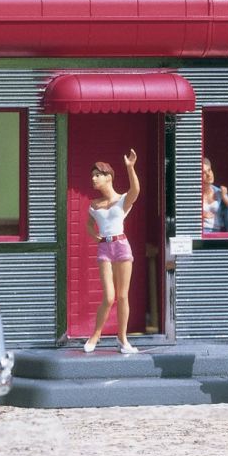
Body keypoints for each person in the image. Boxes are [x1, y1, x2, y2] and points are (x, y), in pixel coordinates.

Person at [83, 149, 141, 354]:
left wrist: (130, 167)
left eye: (97, 175)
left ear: (108, 177)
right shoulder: (94, 204)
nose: (93, 179)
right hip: (104, 248)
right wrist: (94, 235)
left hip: (121, 245)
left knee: (123, 296)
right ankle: (95, 335)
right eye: (92, 175)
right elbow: (88, 224)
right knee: (108, 297)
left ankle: (122, 339)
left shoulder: (123, 199)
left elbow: (136, 189)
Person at [202, 157, 228, 232]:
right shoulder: (192, 193)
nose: (208, 175)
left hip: (216, 234)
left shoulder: (219, 193)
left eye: (209, 170)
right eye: (203, 173)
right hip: (198, 234)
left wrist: (226, 199)